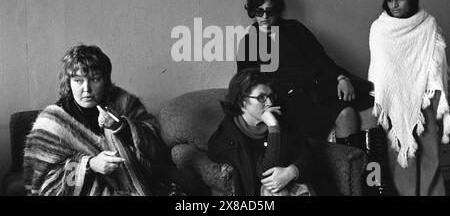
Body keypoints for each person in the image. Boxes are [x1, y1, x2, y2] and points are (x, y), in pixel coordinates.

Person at [237, 0, 392, 195]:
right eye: (259, 11)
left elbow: (322, 61)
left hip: (318, 90)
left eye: (270, 11)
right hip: (288, 103)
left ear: (278, 10)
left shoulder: (295, 29)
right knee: (346, 113)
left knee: (369, 108)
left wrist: (341, 78)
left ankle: (376, 184)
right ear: (252, 10)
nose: (264, 17)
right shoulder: (248, 43)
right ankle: (356, 185)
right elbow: (246, 85)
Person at [23, 44, 172, 196]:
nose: (86, 89)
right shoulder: (52, 122)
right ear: (68, 83)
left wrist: (122, 127)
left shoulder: (123, 103)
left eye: (95, 79)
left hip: (140, 189)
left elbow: (157, 149)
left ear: (106, 81)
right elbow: (44, 183)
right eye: (78, 80)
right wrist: (89, 165)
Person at [368, 0, 450, 196]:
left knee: (429, 151)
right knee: (400, 155)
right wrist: (393, 92)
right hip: (393, 99)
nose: (394, 4)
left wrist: (424, 88)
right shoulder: (379, 28)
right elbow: (380, 67)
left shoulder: (428, 24)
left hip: (424, 96)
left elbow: (437, 59)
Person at [208, 68, 315, 196]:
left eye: (271, 96)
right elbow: (268, 175)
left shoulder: (282, 121)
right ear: (242, 102)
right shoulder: (225, 140)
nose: (270, 103)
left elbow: (307, 153)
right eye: (261, 97)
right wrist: (274, 128)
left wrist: (292, 171)